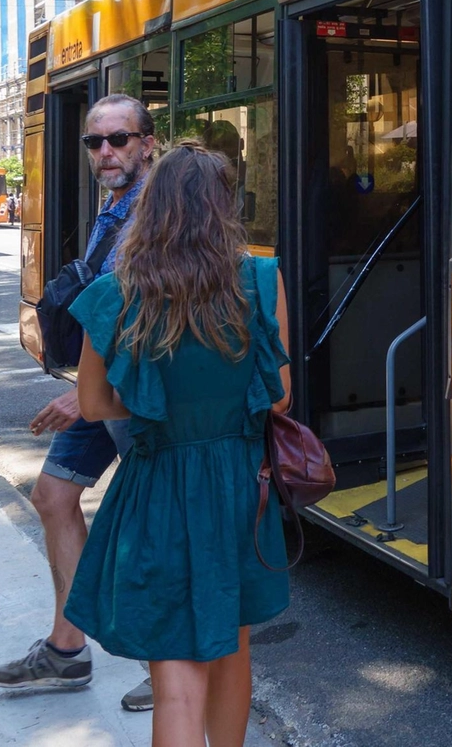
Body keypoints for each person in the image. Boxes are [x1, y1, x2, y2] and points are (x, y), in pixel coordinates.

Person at [65, 140, 292, 747]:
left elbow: (91, 405)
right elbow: (278, 398)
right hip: (238, 488)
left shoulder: (115, 295)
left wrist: (158, 405)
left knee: (176, 683)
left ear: (153, 206)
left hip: (156, 487)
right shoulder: (260, 280)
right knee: (234, 653)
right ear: (225, 207)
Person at [0, 94, 156, 711]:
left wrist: (88, 400)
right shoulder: (114, 206)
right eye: (94, 142)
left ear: (147, 143)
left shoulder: (157, 212)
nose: (106, 151)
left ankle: (171, 669)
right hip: (97, 386)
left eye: (119, 139)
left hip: (132, 396)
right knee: (53, 496)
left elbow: (151, 324)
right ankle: (66, 650)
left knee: (150, 526)